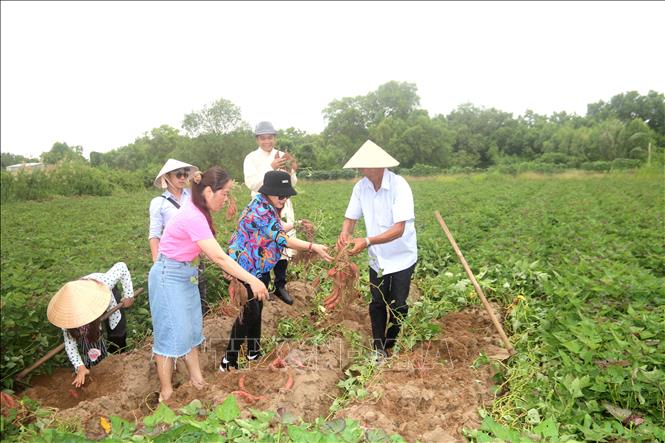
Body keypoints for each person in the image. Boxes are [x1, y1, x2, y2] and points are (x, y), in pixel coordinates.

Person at [148, 166, 269, 402]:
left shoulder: (198, 211)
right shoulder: (194, 215)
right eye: (224, 193)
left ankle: (198, 381)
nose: (227, 199)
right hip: (168, 277)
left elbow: (207, 251)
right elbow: (219, 256)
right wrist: (251, 279)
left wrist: (234, 272)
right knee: (169, 334)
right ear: (208, 192)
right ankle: (167, 393)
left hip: (186, 274)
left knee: (192, 331)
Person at [220, 170, 332, 371]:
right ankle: (229, 359)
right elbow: (282, 238)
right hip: (245, 267)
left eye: (287, 195)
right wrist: (312, 246)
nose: (284, 198)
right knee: (249, 311)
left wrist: (297, 224)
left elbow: (277, 228)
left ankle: (254, 352)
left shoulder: (269, 206)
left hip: (259, 265)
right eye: (281, 195)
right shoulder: (260, 210)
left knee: (257, 309)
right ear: (269, 192)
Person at [336, 140, 418, 363]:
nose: (362, 170)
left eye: (366, 165)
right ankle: (378, 348)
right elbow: (351, 217)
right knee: (377, 302)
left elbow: (399, 229)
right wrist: (345, 235)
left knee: (398, 304)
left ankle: (392, 339)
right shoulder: (361, 187)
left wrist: (367, 240)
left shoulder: (399, 186)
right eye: (360, 166)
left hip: (402, 256)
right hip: (377, 258)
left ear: (380, 165)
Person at [46, 262, 136, 388]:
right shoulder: (66, 317)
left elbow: (121, 266)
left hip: (107, 297)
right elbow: (70, 344)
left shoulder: (104, 283)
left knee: (117, 333)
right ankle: (97, 363)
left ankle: (118, 360)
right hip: (91, 319)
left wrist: (129, 296)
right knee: (88, 341)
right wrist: (80, 367)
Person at [243, 121, 299, 305]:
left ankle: (280, 285)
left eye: (270, 137)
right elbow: (252, 184)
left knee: (284, 244)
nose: (267, 141)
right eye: (263, 138)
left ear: (275, 138)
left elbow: (292, 184)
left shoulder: (283, 155)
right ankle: (263, 284)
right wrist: (271, 167)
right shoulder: (251, 158)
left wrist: (292, 171)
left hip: (283, 204)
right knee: (265, 244)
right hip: (263, 207)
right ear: (258, 139)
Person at [148, 159, 209, 316]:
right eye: (178, 174)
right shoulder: (158, 203)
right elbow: (154, 234)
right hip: (173, 258)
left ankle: (200, 328)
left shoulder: (192, 195)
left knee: (199, 291)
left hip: (195, 252)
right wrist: (157, 261)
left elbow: (210, 191)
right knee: (180, 295)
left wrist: (200, 179)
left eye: (185, 174)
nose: (183, 178)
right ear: (167, 177)